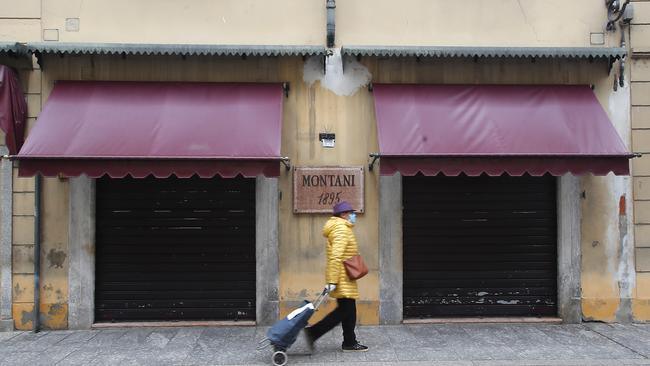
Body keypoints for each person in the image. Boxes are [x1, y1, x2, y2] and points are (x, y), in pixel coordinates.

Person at [304, 201, 368, 352]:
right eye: (351, 213)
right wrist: (332, 281)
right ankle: (313, 333)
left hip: (345, 277)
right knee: (344, 311)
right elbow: (335, 256)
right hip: (341, 278)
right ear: (343, 214)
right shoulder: (341, 229)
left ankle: (349, 342)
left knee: (349, 311)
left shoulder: (341, 227)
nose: (354, 215)